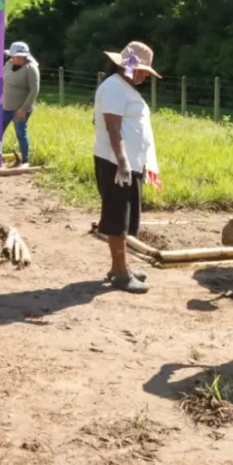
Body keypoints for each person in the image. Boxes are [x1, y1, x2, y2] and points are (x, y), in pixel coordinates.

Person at [93, 41, 162, 294]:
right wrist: (122, 162)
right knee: (117, 217)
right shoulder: (114, 88)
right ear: (129, 67)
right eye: (142, 69)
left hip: (127, 162)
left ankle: (120, 267)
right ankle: (121, 274)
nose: (145, 74)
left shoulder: (124, 87)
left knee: (124, 216)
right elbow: (113, 127)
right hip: (116, 162)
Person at [2, 42, 40, 168]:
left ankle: (25, 161)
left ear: (25, 56)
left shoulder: (31, 68)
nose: (15, 58)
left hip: (20, 109)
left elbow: (34, 90)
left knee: (20, 132)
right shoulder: (8, 64)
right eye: (13, 56)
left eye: (19, 56)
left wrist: (23, 109)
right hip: (5, 107)